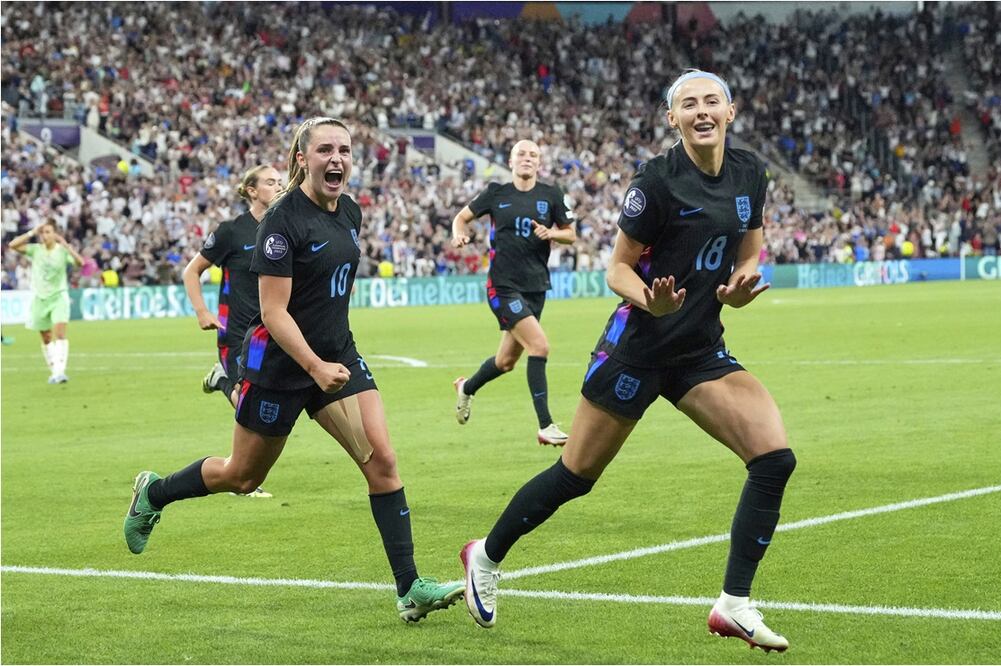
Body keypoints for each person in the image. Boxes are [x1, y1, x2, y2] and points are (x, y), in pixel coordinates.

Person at [459, 71, 796, 652]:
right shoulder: (656, 182)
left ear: (731, 111)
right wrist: (651, 300)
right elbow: (614, 269)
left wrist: (739, 286)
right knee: (574, 477)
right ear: (673, 120)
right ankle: (484, 556)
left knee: (773, 459)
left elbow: (750, 246)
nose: (702, 111)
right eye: (688, 104)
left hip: (697, 351)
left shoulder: (750, 174)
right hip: (635, 350)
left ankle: (733, 604)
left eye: (711, 101)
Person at [124, 117, 465, 621]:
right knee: (241, 476)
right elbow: (273, 312)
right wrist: (313, 365)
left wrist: (332, 360)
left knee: (383, 463)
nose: (337, 159)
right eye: (325, 149)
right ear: (302, 158)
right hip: (282, 365)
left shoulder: (350, 210)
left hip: (339, 357)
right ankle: (153, 493)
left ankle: (409, 587)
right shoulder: (281, 222)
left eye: (345, 150)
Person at [450, 139, 577, 446]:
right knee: (540, 347)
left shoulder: (552, 195)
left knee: (506, 361)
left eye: (534, 154)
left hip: (536, 287)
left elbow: (571, 235)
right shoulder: (496, 193)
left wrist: (552, 233)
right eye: (522, 153)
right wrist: (459, 234)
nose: (527, 158)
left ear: (539, 163)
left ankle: (467, 388)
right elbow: (461, 218)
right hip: (502, 286)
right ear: (511, 160)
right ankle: (545, 425)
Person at [181, 164, 284, 499]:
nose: (278, 186)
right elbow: (191, 271)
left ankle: (219, 380)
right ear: (252, 191)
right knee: (247, 400)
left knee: (265, 402)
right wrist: (201, 311)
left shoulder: (284, 228)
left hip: (272, 333)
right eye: (270, 182)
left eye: (280, 182)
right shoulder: (231, 231)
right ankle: (243, 476)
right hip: (236, 333)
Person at [9, 219, 84, 383]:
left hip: (59, 296)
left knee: (60, 333)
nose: (44, 235)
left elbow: (80, 263)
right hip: (40, 298)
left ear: (55, 234)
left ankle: (60, 372)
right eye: (42, 232)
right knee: (46, 337)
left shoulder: (62, 251)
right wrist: (31, 232)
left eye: (48, 232)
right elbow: (12, 245)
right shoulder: (35, 250)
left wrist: (66, 245)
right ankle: (54, 372)